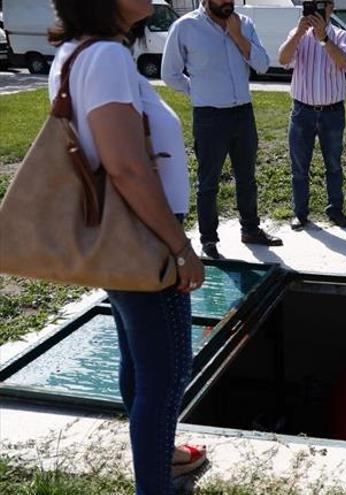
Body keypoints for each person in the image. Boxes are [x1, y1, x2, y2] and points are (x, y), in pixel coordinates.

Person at [47, 0, 208, 492]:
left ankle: (164, 457)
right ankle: (155, 484)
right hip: (141, 232)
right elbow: (126, 166)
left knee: (140, 362)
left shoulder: (78, 52)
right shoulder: (108, 58)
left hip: (119, 230)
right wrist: (180, 247)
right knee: (167, 373)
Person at [162, 0, 282, 259]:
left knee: (247, 177)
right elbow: (169, 73)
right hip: (209, 117)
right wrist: (196, 91)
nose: (228, 2)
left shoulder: (245, 24)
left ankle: (250, 229)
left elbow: (262, 64)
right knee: (208, 182)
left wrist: (238, 37)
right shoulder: (185, 27)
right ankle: (209, 240)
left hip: (243, 113)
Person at [278, 0, 346, 230]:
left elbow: (344, 63)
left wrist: (324, 39)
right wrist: (299, 32)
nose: (315, 12)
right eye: (310, 6)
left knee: (333, 165)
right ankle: (300, 213)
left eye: (320, 6)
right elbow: (282, 60)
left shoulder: (341, 36)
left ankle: (335, 209)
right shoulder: (297, 34)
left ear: (330, 8)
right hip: (302, 112)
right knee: (299, 167)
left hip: (332, 112)